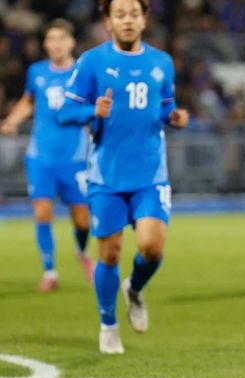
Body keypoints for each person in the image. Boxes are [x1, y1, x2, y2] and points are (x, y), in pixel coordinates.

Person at [58, 0, 189, 354]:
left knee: (152, 247)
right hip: (106, 175)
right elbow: (65, 111)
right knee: (110, 252)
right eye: (120, 14)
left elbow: (163, 107)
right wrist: (91, 109)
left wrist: (173, 116)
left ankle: (134, 289)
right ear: (108, 21)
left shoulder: (161, 62)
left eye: (134, 13)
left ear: (144, 19)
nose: (128, 20)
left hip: (150, 173)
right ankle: (108, 323)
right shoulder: (91, 62)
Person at [1, 19, 94, 292]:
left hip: (75, 157)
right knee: (42, 212)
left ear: (71, 42)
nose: (55, 45)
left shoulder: (83, 72)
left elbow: (94, 106)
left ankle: (81, 252)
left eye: (60, 39)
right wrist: (13, 119)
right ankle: (50, 272)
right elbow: (29, 101)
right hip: (40, 155)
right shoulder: (37, 72)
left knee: (82, 219)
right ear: (45, 44)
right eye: (51, 40)